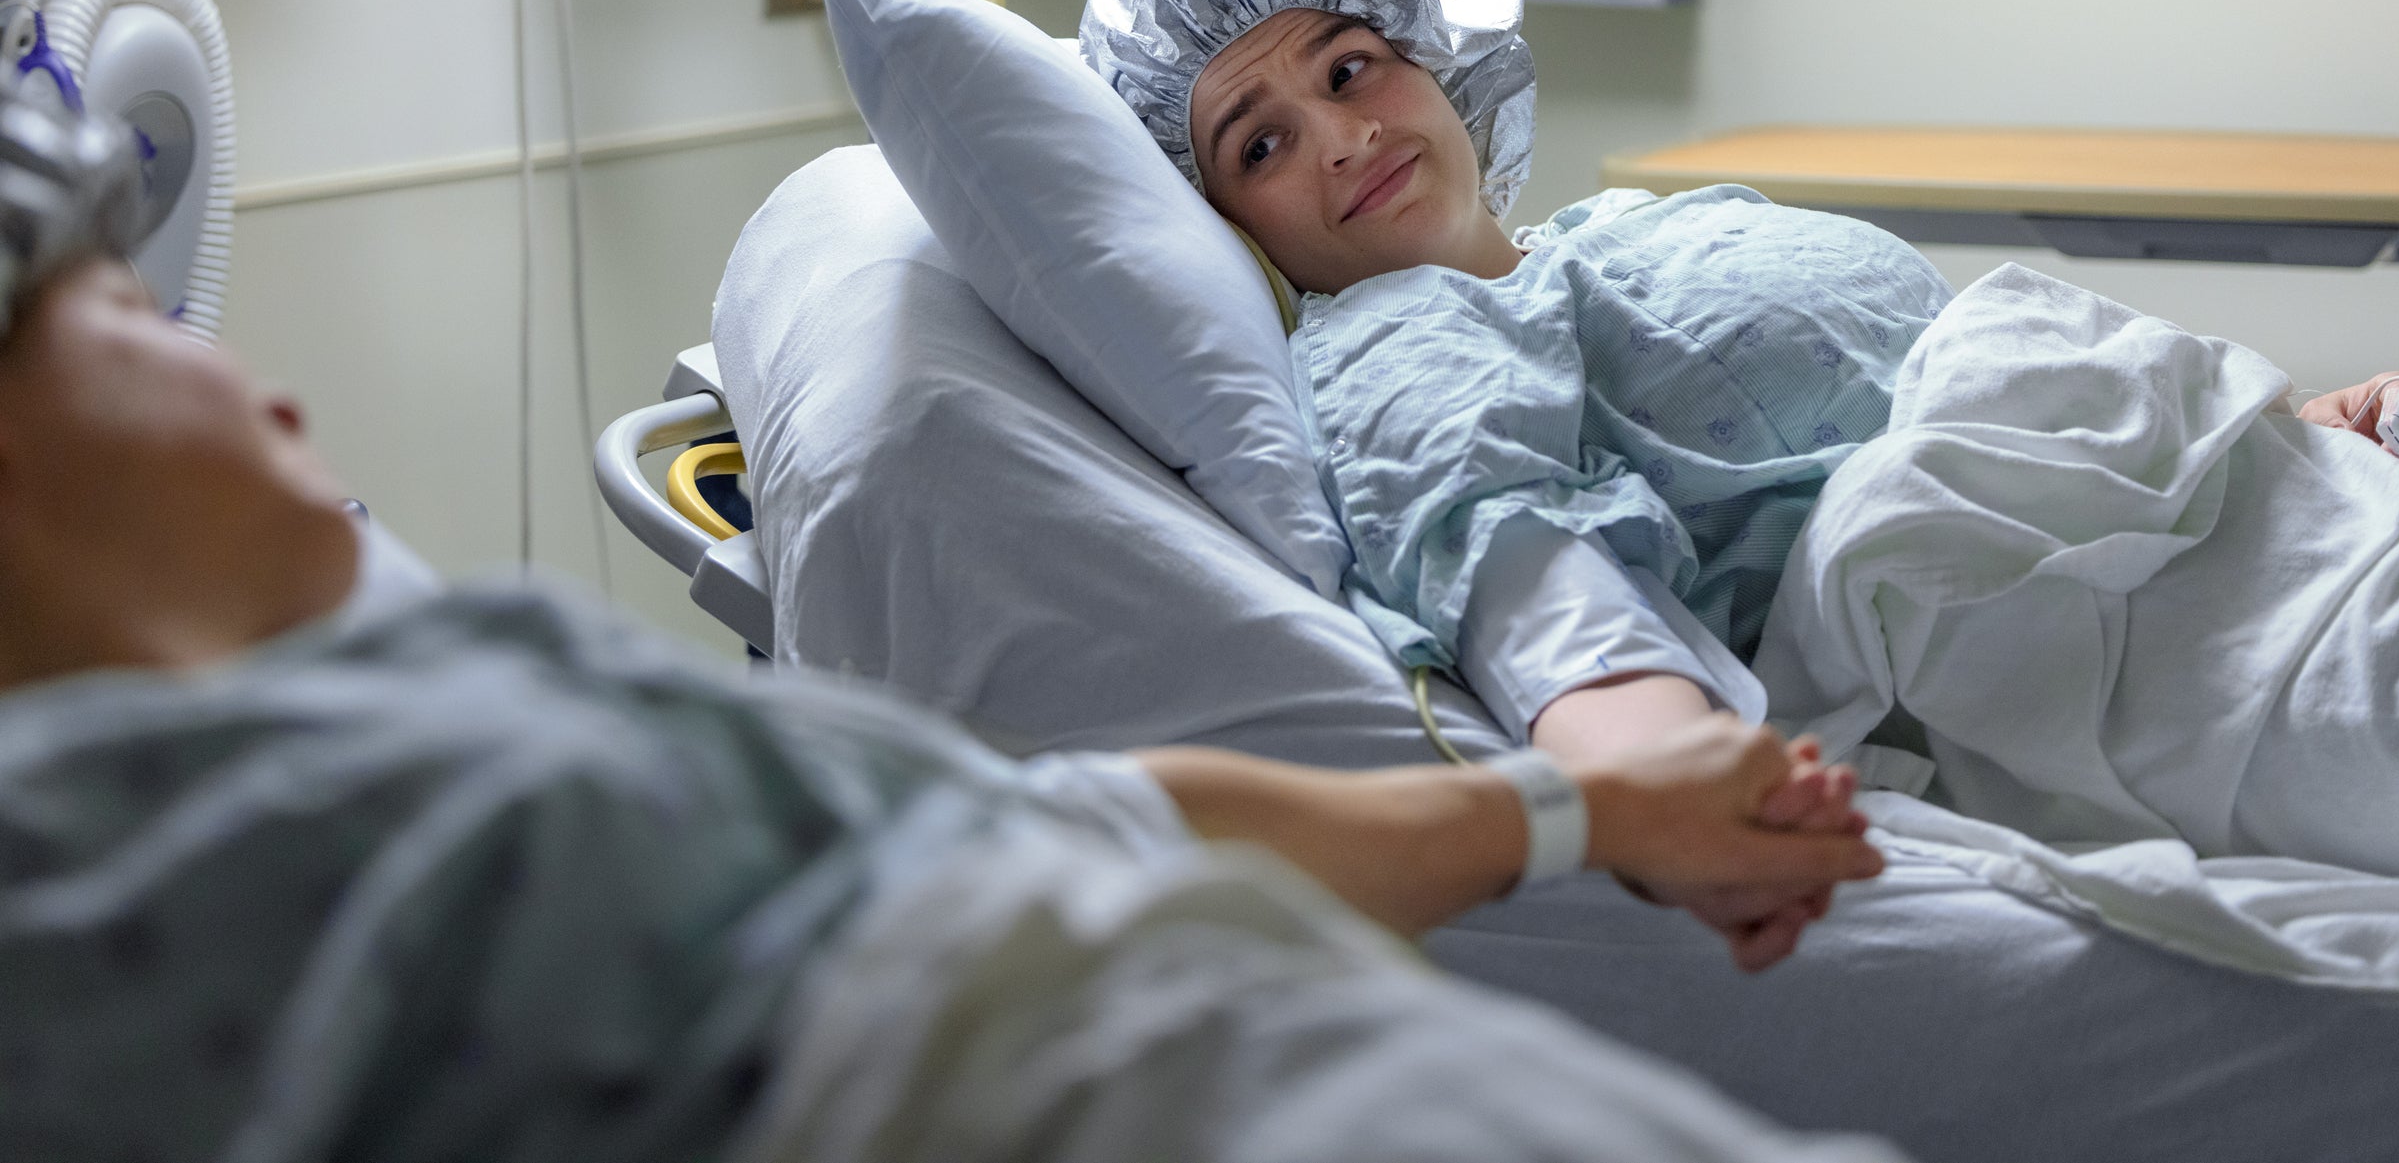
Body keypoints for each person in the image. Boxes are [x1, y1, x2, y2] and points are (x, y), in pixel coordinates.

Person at [0, 116, 1892, 1157]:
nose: (222, 348)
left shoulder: (449, 686)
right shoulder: (89, 893)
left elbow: (1087, 824)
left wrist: (1585, 821)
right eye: (128, 314)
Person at [1079, 0, 2399, 881]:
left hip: (2257, 507)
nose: (1343, 132)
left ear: (1429, 54)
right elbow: (1515, 572)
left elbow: (1932, 357)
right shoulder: (1400, 343)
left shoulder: (1613, 231)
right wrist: (1659, 778)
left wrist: (2286, 429)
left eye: (1352, 65)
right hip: (2143, 646)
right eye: (1260, 146)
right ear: (1229, 232)